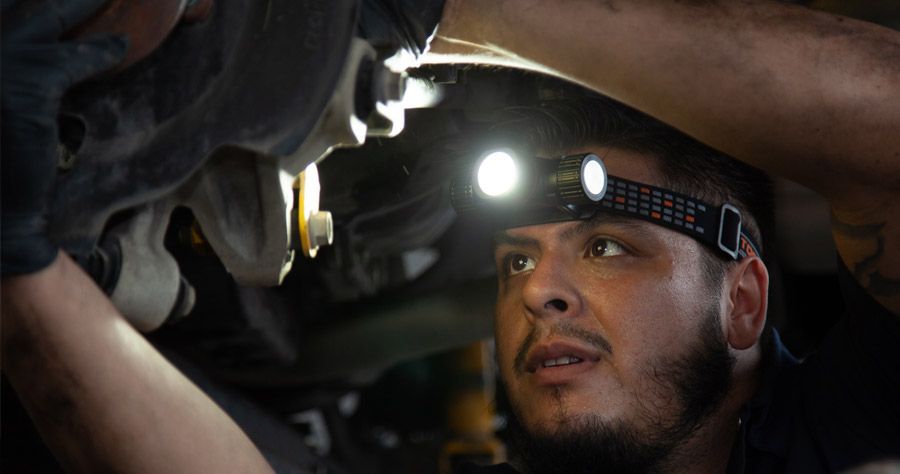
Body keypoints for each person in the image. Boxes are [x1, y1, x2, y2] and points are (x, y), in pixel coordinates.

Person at [1, 0, 897, 472]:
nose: (534, 293)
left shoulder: (853, 429)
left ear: (741, 301)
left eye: (606, 246)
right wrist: (24, 262)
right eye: (515, 258)